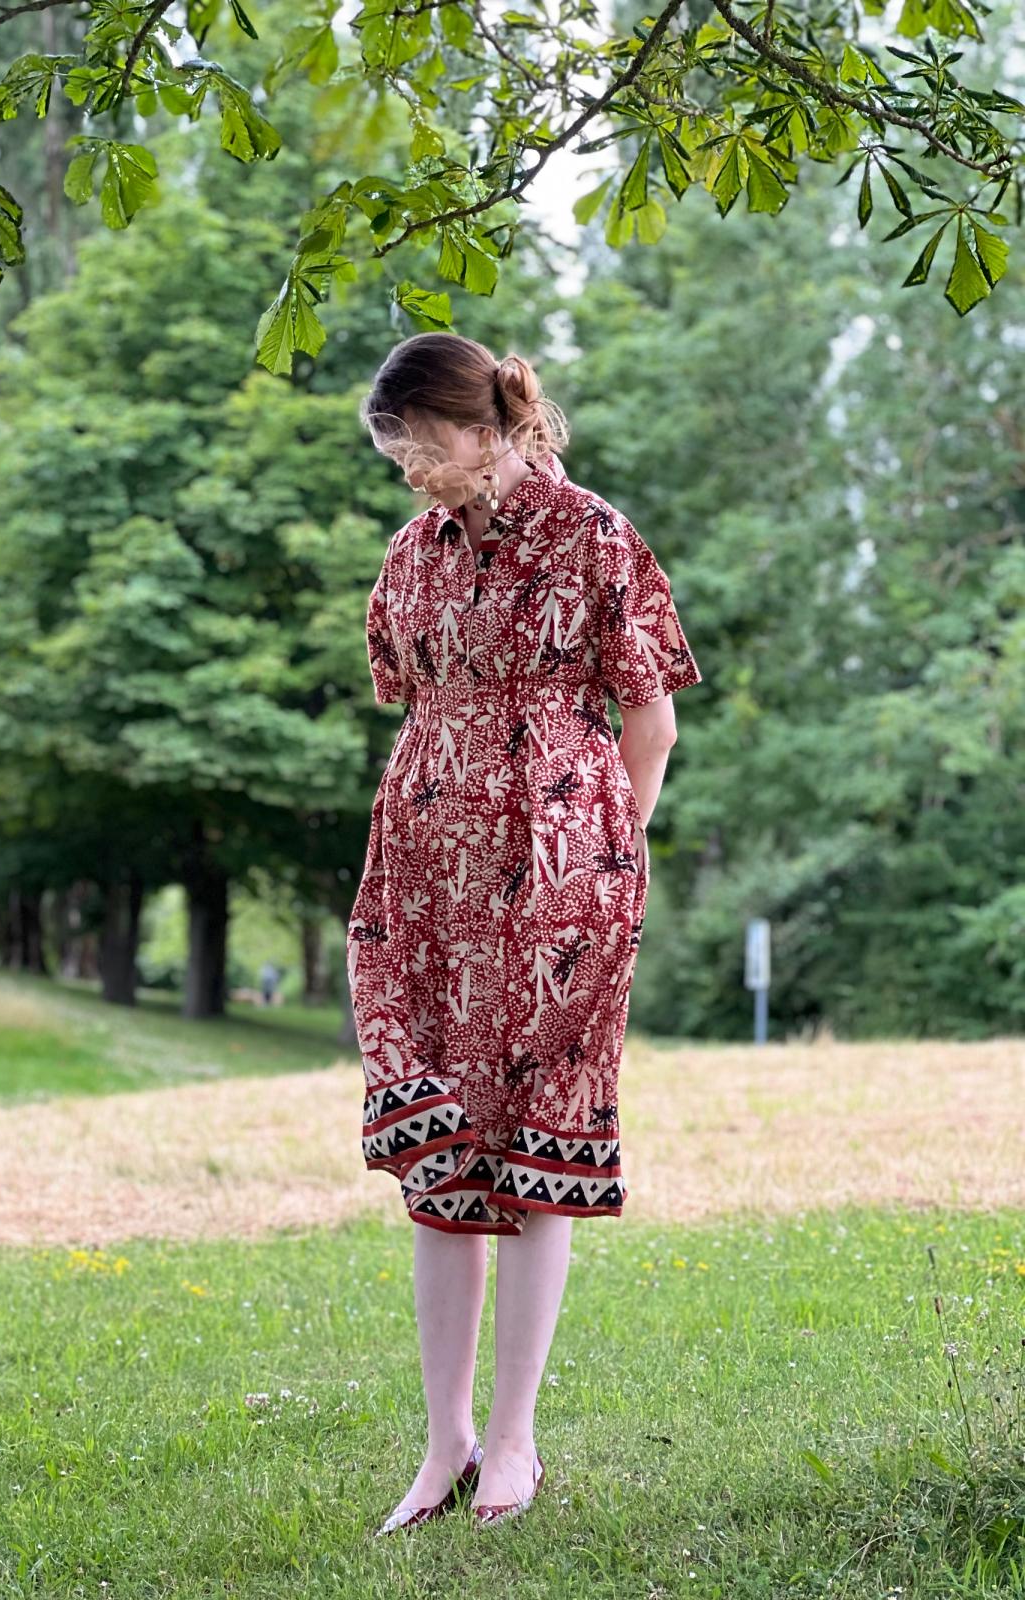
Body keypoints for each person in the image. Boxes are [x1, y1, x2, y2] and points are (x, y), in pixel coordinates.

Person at [348, 332, 704, 1533]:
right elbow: (409, 701)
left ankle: (513, 1440)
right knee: (438, 1136)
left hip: (563, 879)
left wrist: (604, 851)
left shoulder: (594, 536)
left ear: (476, 423)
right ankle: (443, 1441)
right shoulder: (411, 556)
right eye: (391, 449)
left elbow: (649, 726)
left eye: (413, 442)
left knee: (539, 1143)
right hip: (423, 880)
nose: (403, 467)